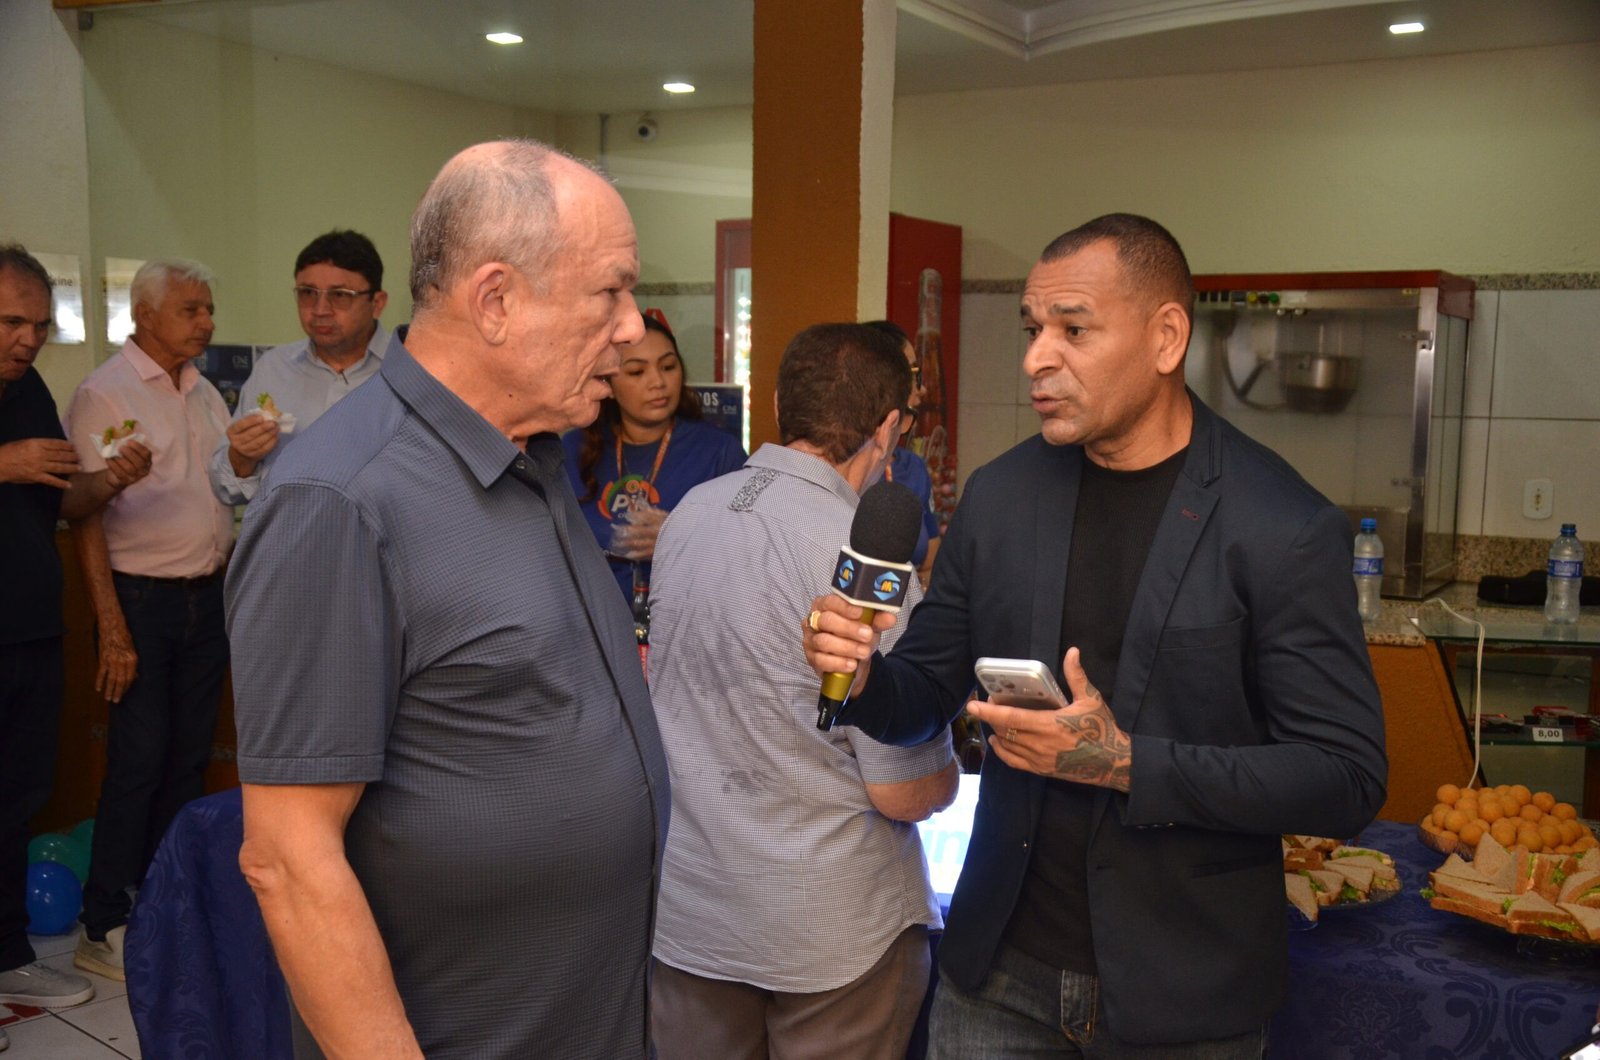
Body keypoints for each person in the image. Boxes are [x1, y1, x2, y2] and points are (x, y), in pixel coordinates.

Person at [803, 214, 1388, 1055]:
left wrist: (1125, 763)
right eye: (1033, 330)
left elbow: (1345, 778)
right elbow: (925, 693)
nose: (1038, 358)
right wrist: (863, 679)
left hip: (1182, 991)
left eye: (1073, 330)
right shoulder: (1002, 498)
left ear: (1166, 338)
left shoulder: (1279, 524)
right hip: (998, 975)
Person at [227, 138, 670, 1060]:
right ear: (496, 300)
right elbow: (289, 860)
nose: (632, 329)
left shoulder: (533, 452)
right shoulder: (340, 501)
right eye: (610, 292)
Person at [648, 323, 958, 1059]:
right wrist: (951, 776)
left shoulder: (687, 516)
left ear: (780, 404)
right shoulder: (866, 563)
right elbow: (901, 791)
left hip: (693, 915)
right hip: (832, 933)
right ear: (888, 429)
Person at [63, 259, 234, 982]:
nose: (207, 322)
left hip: (206, 597)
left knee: (188, 759)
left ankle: (166, 904)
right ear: (144, 315)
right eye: (192, 309)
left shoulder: (204, 391)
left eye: (209, 308)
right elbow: (83, 515)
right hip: (140, 600)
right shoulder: (105, 392)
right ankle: (103, 921)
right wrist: (112, 627)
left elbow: (222, 488)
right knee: (137, 762)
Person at [0, 244, 152, 1026]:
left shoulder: (29, 391)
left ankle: (8, 959)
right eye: (10, 322)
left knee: (18, 798)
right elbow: (17, 469)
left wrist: (109, 480)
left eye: (38, 324)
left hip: (30, 631)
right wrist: (3, 462)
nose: (27, 339)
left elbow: (61, 498)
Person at [563, 312, 746, 606]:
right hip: (594, 620)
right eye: (637, 372)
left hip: (686, 619)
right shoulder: (573, 450)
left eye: (668, 367)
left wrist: (681, 537)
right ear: (608, 382)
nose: (658, 382)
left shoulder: (720, 452)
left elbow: (746, 555)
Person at [208, 229, 399, 505]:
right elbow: (226, 488)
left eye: (340, 295)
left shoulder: (412, 369)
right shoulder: (273, 368)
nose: (320, 309)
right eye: (308, 293)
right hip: (289, 531)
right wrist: (241, 457)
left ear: (377, 303)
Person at [864, 319, 940, 584]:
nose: (921, 389)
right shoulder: (847, 467)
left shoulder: (914, 468)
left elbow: (929, 564)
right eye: (913, 374)